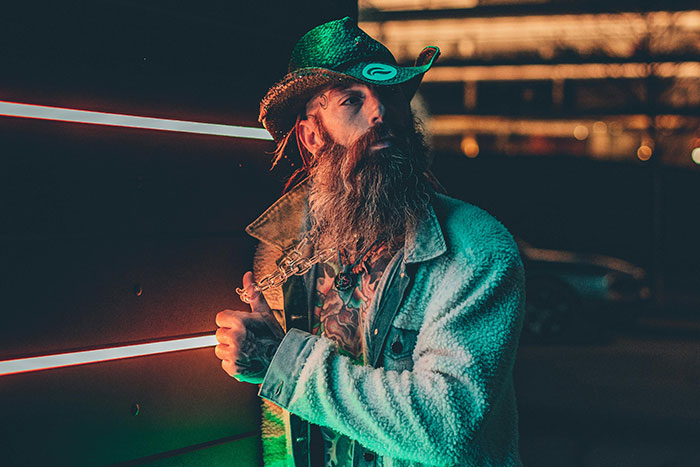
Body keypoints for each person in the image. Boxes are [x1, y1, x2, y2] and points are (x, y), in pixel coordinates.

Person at [215, 17, 526, 467]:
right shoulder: (281, 248)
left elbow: (445, 426)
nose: (381, 114)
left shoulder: (477, 249)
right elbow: (282, 429)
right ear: (312, 134)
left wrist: (284, 362)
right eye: (352, 101)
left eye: (391, 96)